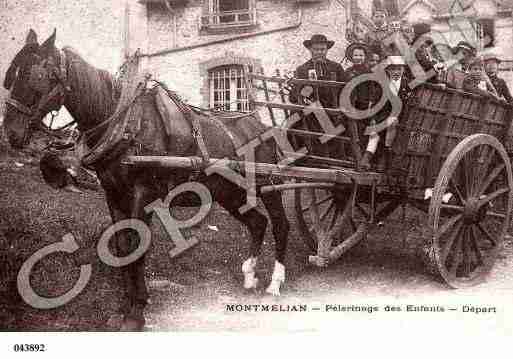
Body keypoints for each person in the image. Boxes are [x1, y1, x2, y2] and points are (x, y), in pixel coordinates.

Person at [288, 34, 346, 155]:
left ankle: (331, 156)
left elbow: (345, 90)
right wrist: (304, 97)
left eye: (322, 49)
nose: (319, 52)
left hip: (332, 110)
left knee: (339, 124)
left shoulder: (336, 68)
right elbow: (294, 96)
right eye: (316, 49)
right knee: (294, 122)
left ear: (327, 50)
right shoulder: (302, 69)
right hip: (311, 111)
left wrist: (341, 106)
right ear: (310, 50)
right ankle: (306, 154)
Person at [360, 54, 411, 170]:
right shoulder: (382, 83)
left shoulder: (406, 84)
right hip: (381, 115)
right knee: (375, 133)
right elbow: (374, 103)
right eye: (393, 69)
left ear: (403, 70)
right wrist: (373, 119)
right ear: (388, 70)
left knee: (392, 122)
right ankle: (366, 159)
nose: (396, 72)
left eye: (399, 69)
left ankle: (384, 157)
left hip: (397, 117)